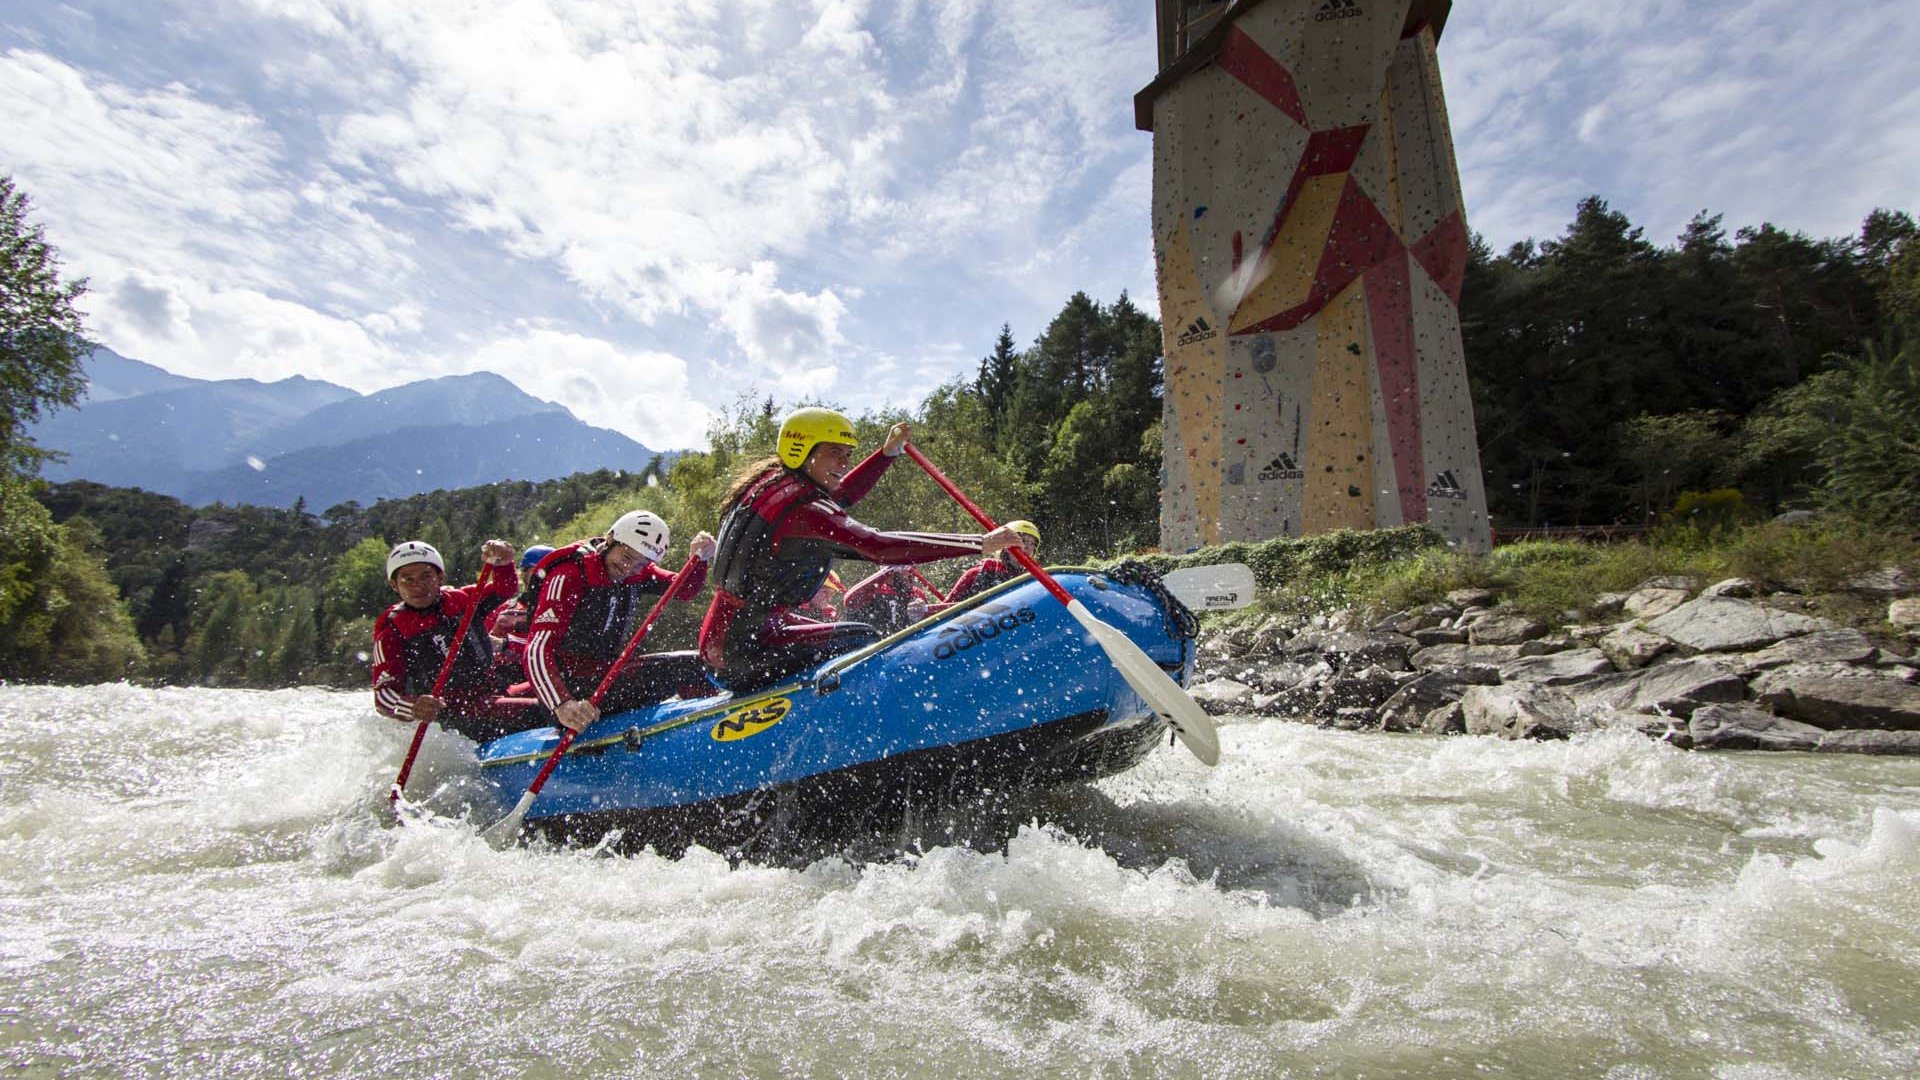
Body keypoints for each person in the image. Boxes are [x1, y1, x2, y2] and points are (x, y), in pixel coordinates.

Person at [699, 406, 1023, 690]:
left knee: (854, 634)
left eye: (847, 454)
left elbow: (841, 495)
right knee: (862, 639)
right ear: (803, 449)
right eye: (834, 452)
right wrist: (979, 543)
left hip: (734, 639)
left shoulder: (778, 483)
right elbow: (877, 546)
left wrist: (886, 454)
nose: (843, 462)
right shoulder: (803, 511)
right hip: (742, 651)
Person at [525, 511, 717, 733]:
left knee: (695, 664)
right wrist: (562, 704)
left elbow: (685, 590)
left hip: (607, 676)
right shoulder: (568, 575)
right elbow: (537, 649)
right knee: (683, 668)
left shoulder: (639, 572)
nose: (628, 568)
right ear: (610, 540)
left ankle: (711, 725)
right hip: (570, 689)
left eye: (639, 564)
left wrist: (699, 560)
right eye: (626, 557)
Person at [371, 539, 545, 741]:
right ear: (394, 585)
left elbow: (504, 589)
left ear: (440, 576)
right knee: (542, 710)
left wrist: (504, 563)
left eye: (426, 576)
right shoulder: (392, 628)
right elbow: (383, 696)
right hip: (451, 714)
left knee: (560, 689)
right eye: (407, 579)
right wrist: (413, 707)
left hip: (492, 692)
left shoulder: (461, 600)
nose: (417, 585)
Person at [942, 519, 1040, 604]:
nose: (1027, 547)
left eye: (1032, 543)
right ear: (1006, 546)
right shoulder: (977, 573)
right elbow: (945, 610)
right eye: (1022, 540)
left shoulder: (1034, 580)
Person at [841, 565, 942, 633]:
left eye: (913, 569)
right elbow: (850, 602)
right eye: (906, 570)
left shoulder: (918, 594)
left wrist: (923, 616)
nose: (911, 574)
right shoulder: (873, 593)